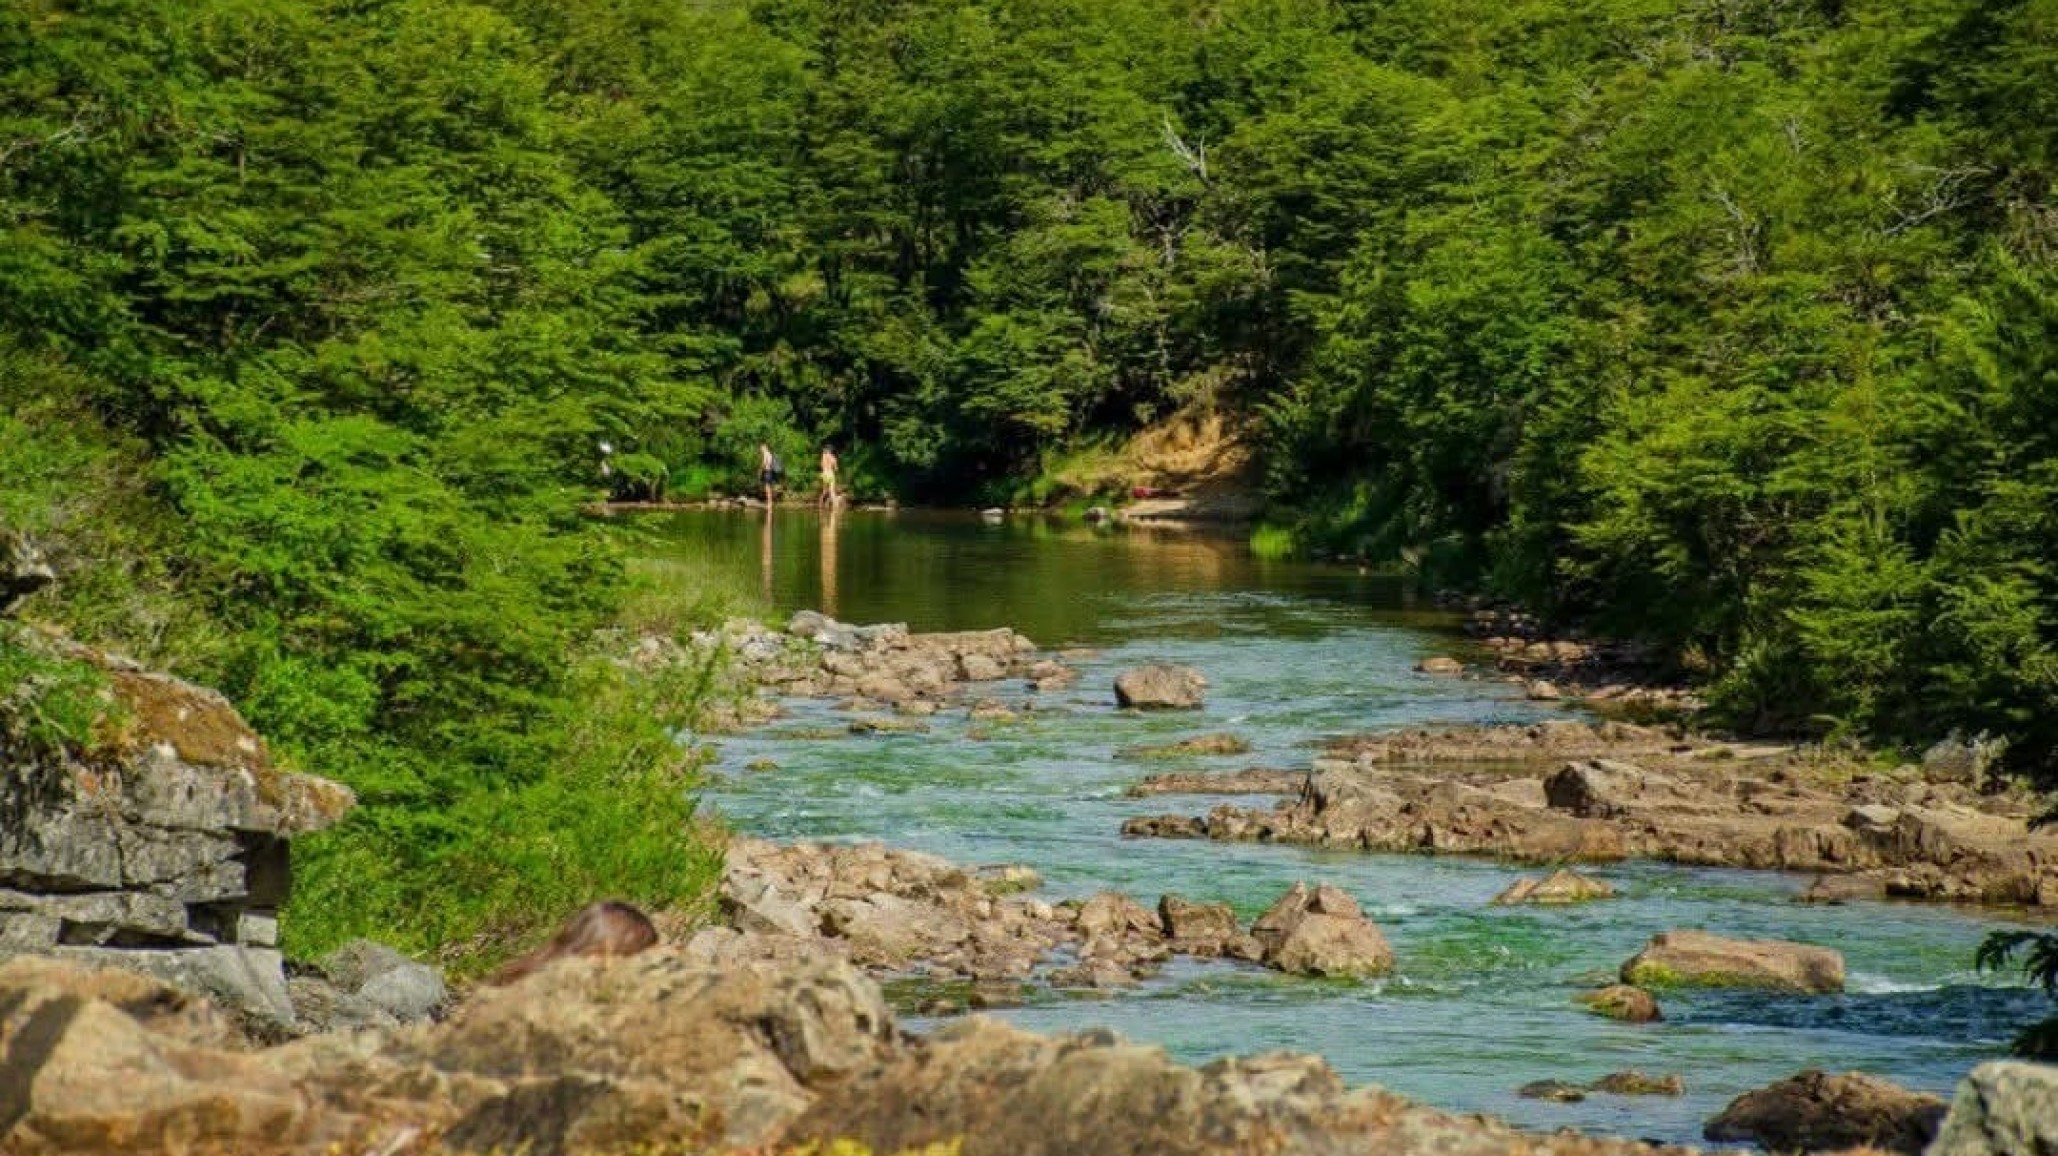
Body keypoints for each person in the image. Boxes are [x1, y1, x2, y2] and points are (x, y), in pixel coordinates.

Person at [759, 442, 782, 507]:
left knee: (767, 488)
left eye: (761, 448)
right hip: (771, 472)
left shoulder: (765, 454)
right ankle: (770, 503)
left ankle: (769, 504)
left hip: (767, 472)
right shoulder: (770, 454)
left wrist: (760, 470)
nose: (760, 449)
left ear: (765, 447)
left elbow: (764, 463)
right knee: (769, 488)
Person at [818, 444, 840, 509]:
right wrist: (835, 468)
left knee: (824, 491)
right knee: (832, 491)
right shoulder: (833, 458)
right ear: (831, 450)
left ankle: (820, 505)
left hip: (824, 474)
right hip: (830, 474)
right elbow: (836, 469)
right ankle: (835, 507)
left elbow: (821, 466)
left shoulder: (823, 457)